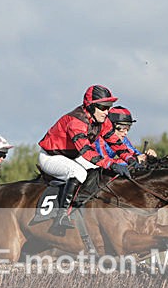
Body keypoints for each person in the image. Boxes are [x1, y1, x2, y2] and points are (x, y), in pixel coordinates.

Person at [38, 84, 138, 232]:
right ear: (91, 107)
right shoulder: (76, 122)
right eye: (103, 108)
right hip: (51, 157)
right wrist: (111, 164)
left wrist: (130, 158)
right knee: (79, 173)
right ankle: (61, 216)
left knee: (97, 172)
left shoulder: (101, 121)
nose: (106, 112)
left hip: (72, 156)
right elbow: (87, 152)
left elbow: (115, 142)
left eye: (108, 107)